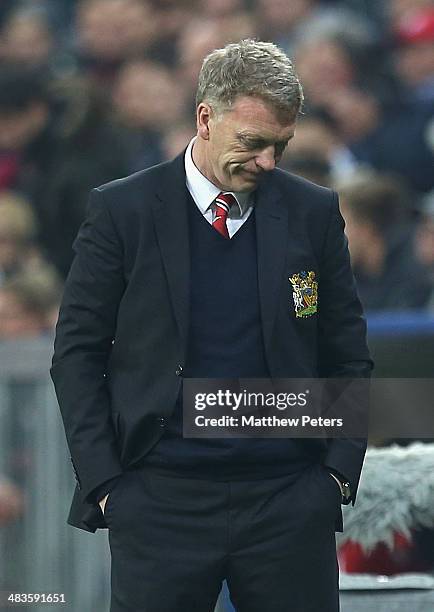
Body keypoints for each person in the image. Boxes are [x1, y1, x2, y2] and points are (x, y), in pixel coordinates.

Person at [51, 39, 373, 612]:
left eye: (281, 146)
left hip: (288, 501)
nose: (268, 163)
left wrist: (335, 477)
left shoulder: (313, 212)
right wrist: (106, 485)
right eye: (252, 143)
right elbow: (77, 354)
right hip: (158, 501)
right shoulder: (122, 212)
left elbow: (346, 355)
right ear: (204, 118)